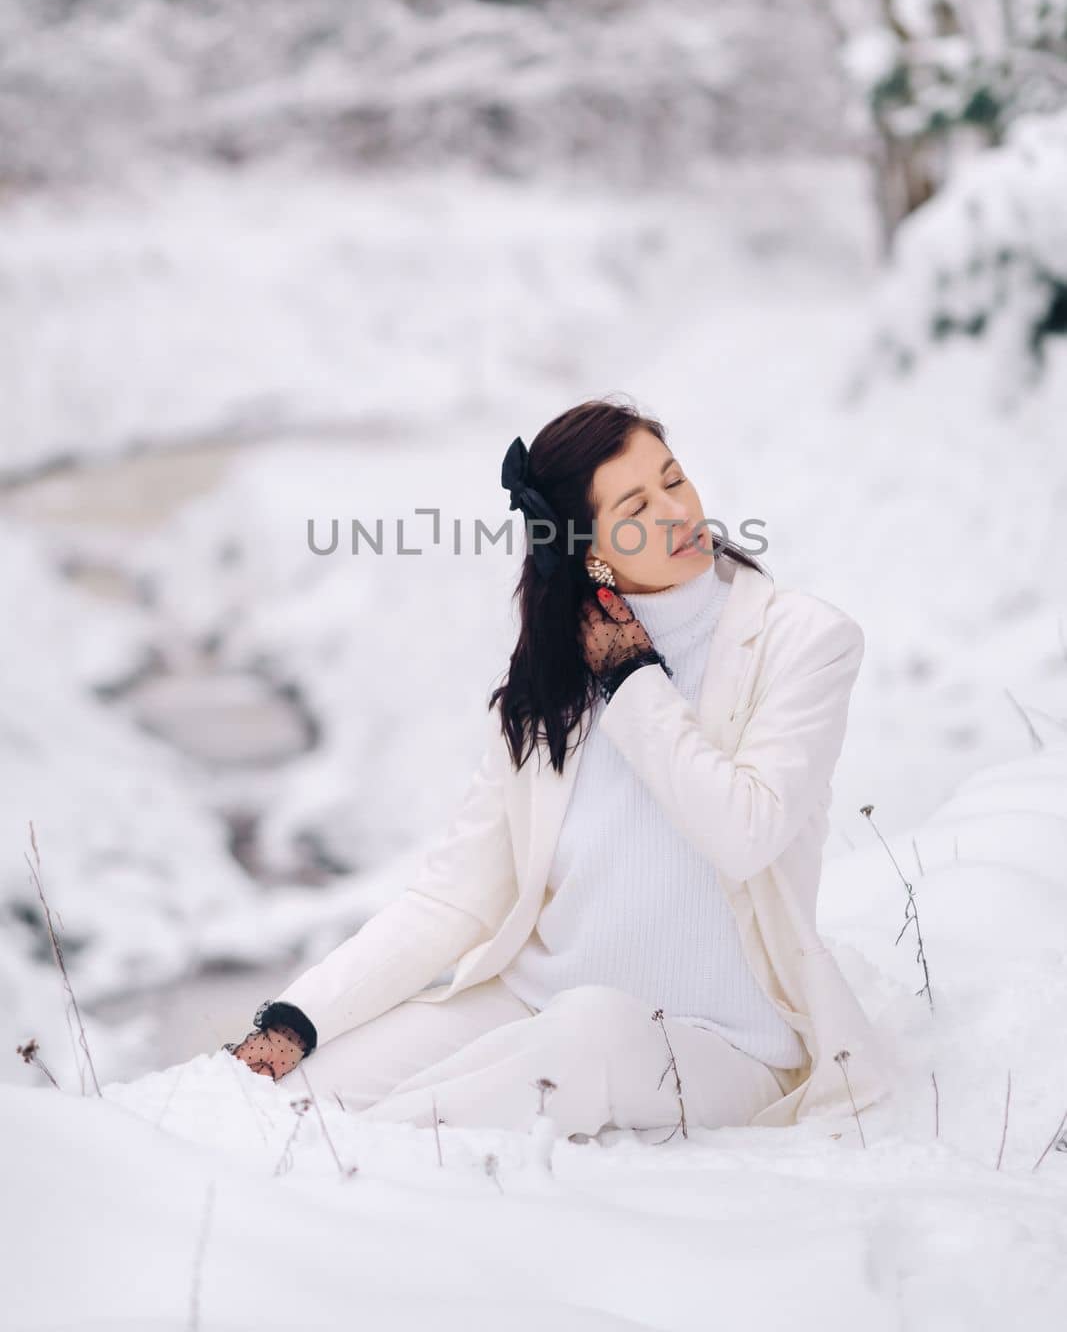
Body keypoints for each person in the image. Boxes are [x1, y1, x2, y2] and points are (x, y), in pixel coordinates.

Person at [222, 397, 894, 1139]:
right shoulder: (550, 687)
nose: (676, 510)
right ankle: (298, 1144)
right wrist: (294, 1021)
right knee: (295, 1090)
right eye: (636, 504)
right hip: (532, 1005)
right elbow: (451, 901)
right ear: (587, 548)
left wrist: (635, 681)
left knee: (587, 1035)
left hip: (720, 1046)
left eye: (674, 479)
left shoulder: (801, 640)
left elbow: (743, 831)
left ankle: (345, 1160)